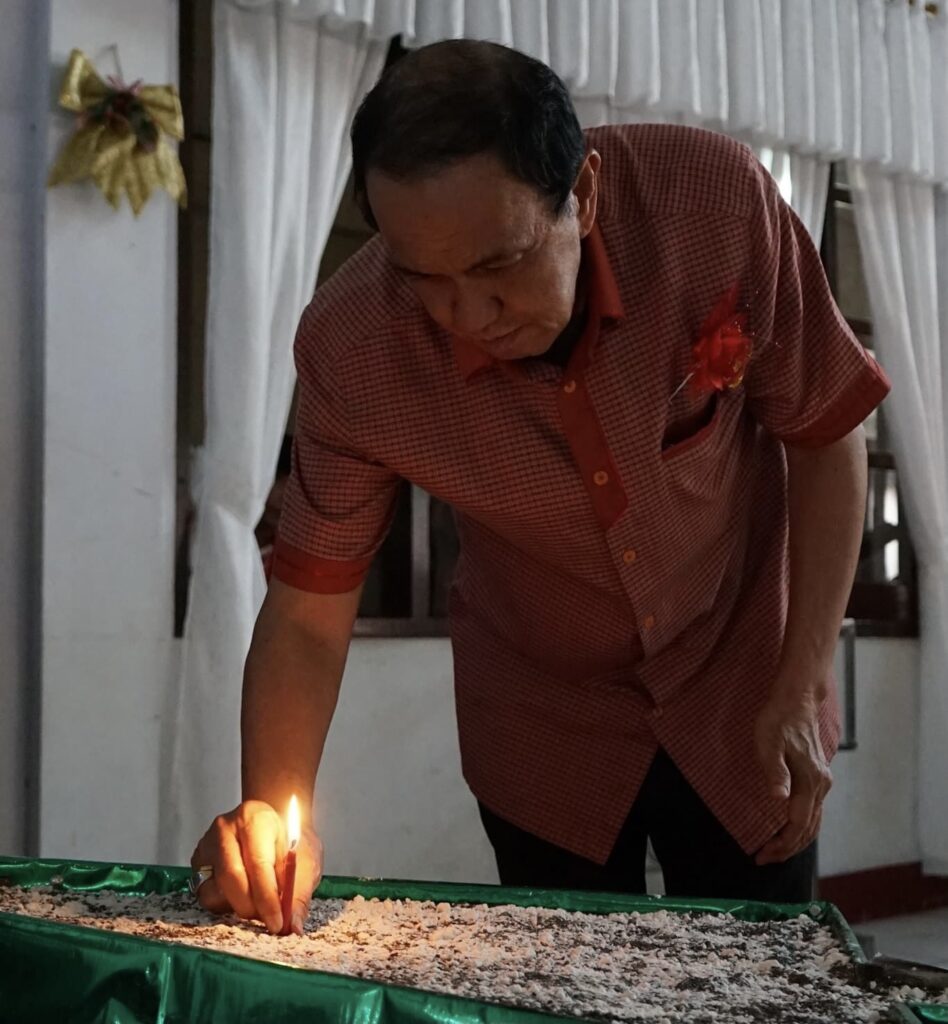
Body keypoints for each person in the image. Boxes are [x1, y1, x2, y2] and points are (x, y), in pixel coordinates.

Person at [190, 40, 890, 935]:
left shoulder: (712, 206)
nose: (467, 317)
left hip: (742, 682)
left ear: (583, 194)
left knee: (761, 971)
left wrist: (800, 681)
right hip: (541, 717)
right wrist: (268, 805)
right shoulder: (354, 348)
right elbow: (307, 611)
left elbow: (827, 435)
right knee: (558, 978)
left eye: (498, 267)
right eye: (424, 280)